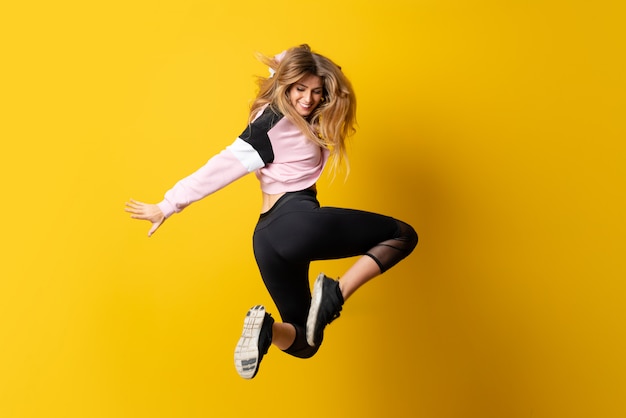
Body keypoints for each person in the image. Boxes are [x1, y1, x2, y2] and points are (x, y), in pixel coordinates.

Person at [125, 44, 418, 379]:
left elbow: (286, 61)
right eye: (299, 89)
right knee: (402, 235)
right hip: (296, 222)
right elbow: (221, 166)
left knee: (305, 341)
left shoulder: (272, 110)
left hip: (266, 241)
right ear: (286, 85)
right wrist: (168, 204)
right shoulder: (271, 125)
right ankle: (336, 293)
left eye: (317, 92)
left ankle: (267, 330)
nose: (308, 100)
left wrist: (308, 63)